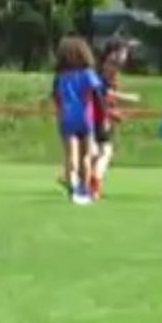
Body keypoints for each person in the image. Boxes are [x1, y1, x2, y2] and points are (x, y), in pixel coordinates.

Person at [52, 36, 106, 205]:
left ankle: (72, 188)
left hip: (67, 118)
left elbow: (56, 97)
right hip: (85, 118)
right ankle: (85, 188)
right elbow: (98, 95)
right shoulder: (87, 73)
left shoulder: (60, 77)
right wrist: (103, 117)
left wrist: (60, 114)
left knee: (70, 155)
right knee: (87, 155)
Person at [90, 39, 138, 199]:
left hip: (101, 115)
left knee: (99, 151)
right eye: (124, 51)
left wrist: (113, 112)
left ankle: (85, 180)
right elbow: (102, 93)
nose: (126, 55)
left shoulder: (109, 69)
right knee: (103, 151)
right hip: (96, 116)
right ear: (114, 52)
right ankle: (86, 181)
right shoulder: (106, 68)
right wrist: (127, 97)